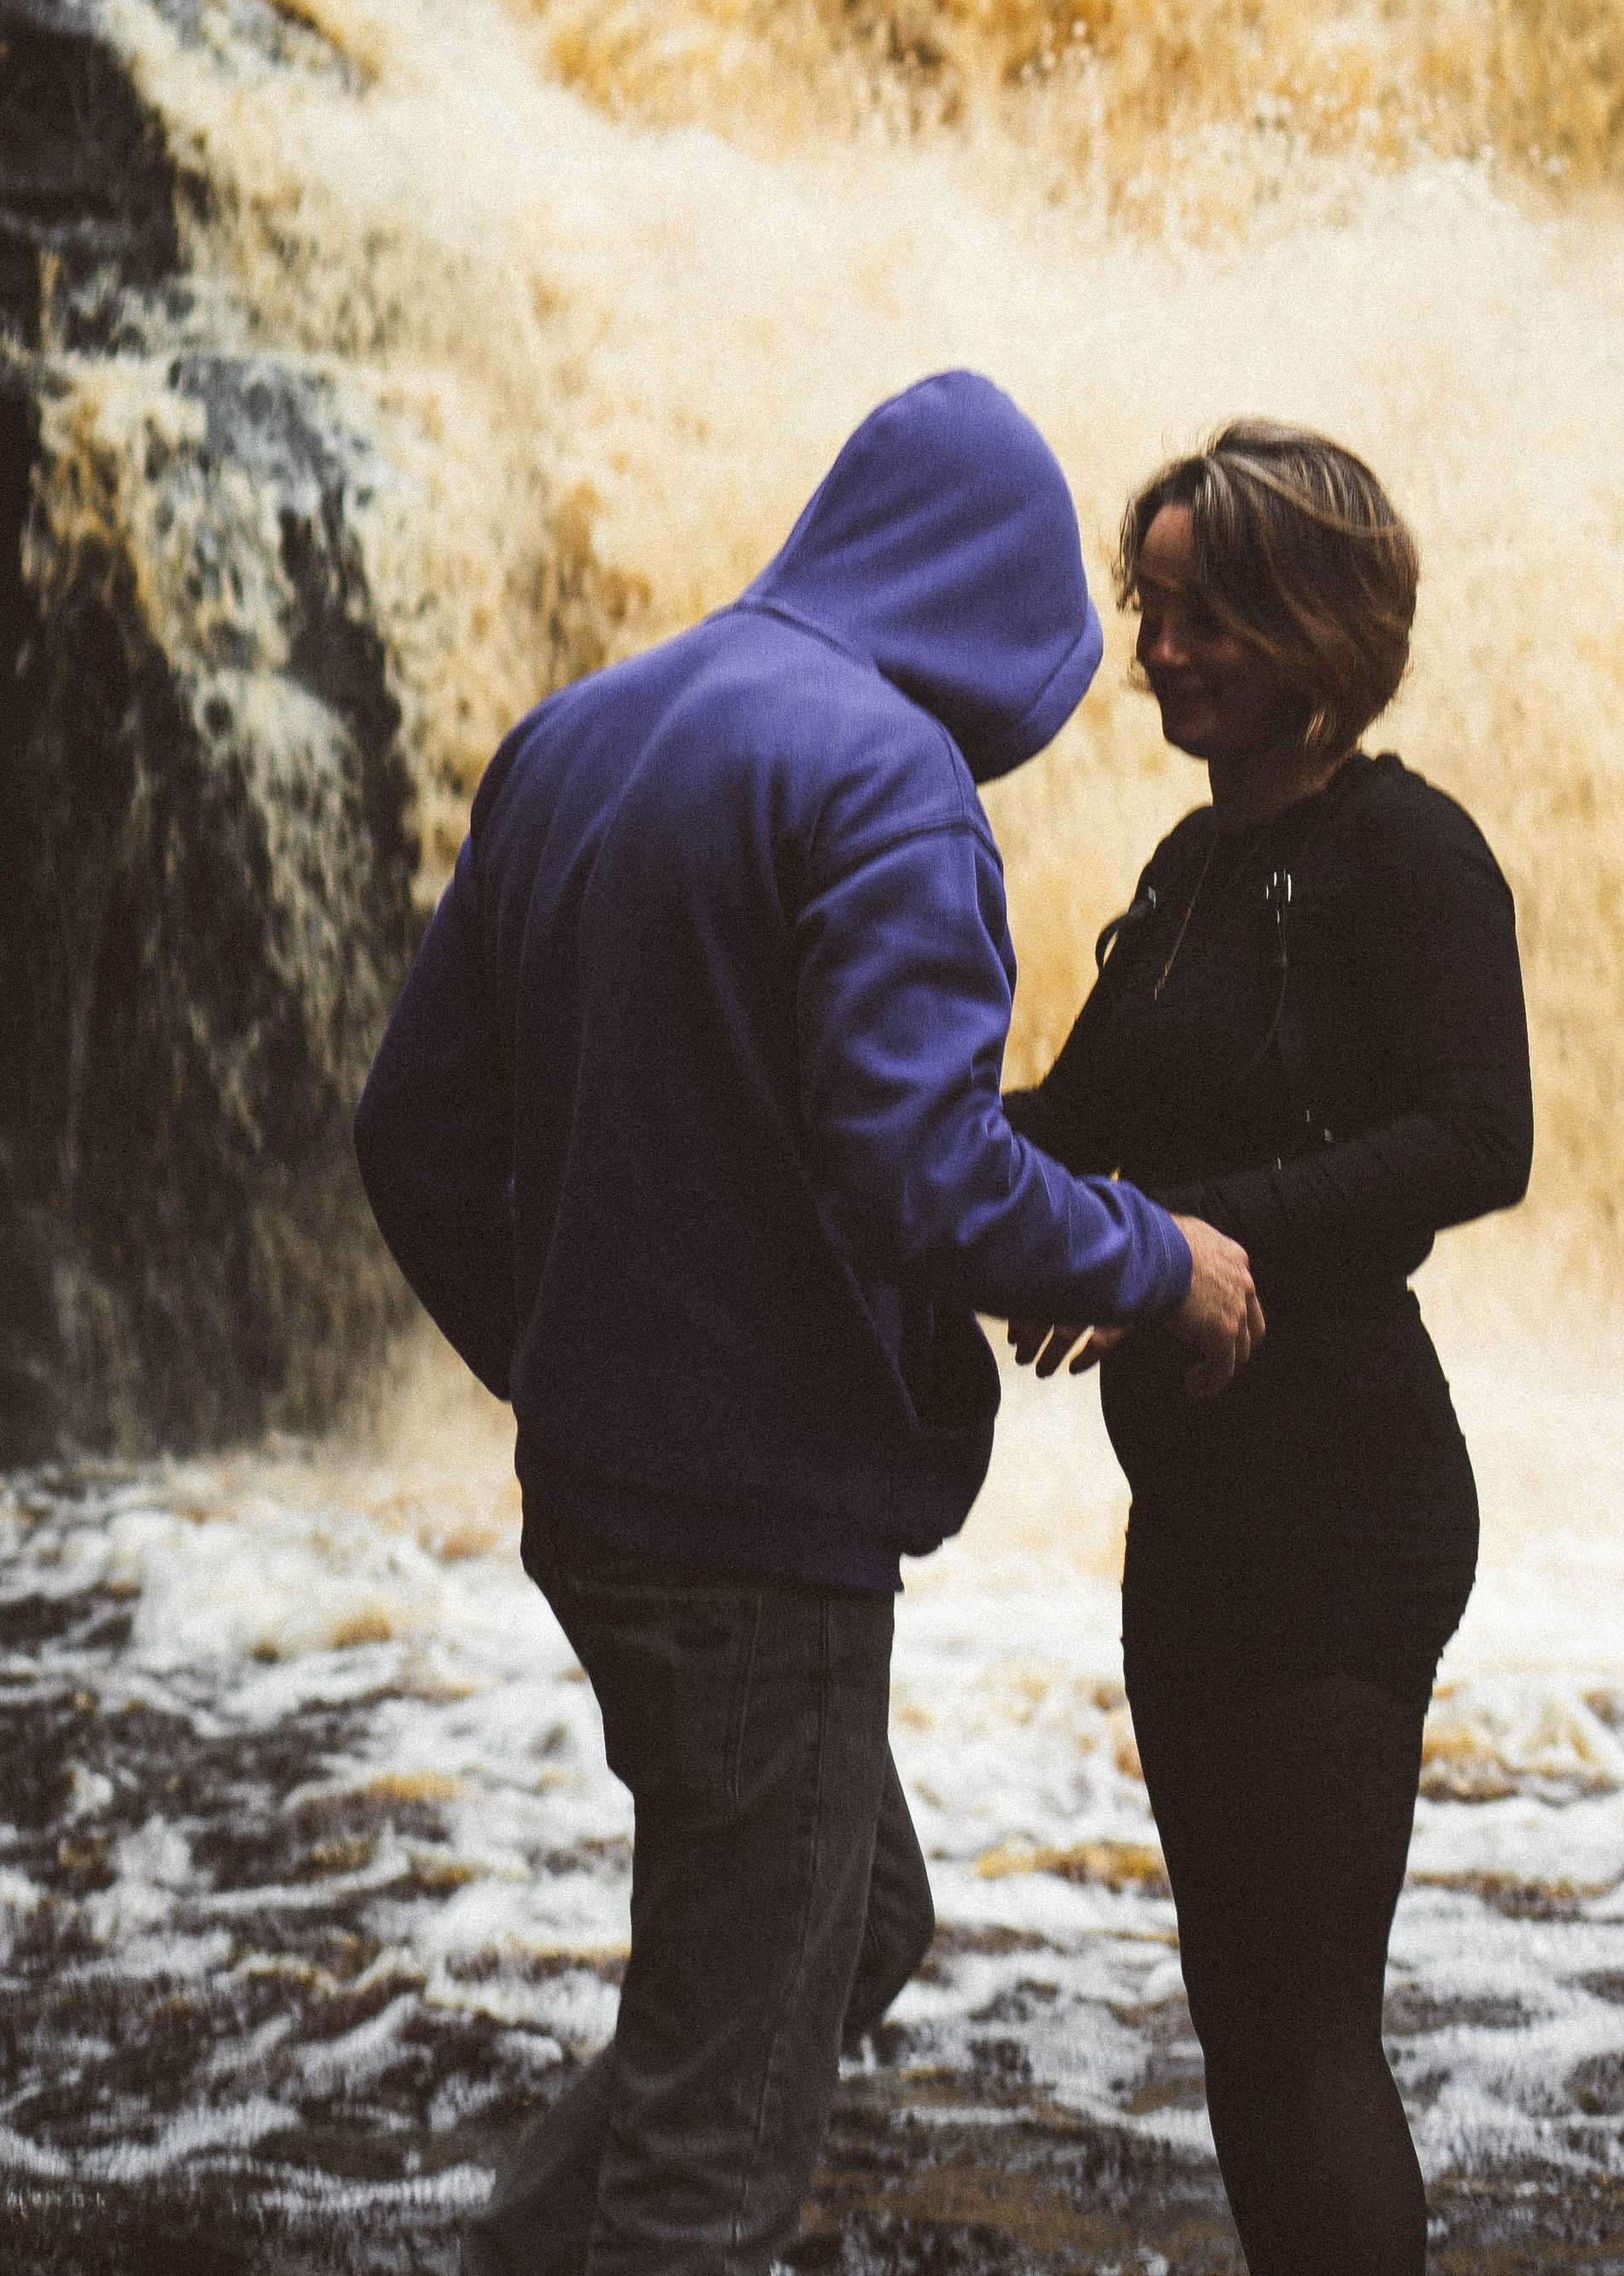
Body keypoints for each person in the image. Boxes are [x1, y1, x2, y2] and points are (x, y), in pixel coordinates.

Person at [352, 370, 1264, 2276]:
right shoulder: (883, 783)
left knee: (841, 1934)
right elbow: (917, 1175)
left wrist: (578, 1367)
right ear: (999, 601)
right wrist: (1154, 1262)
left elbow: (413, 1138)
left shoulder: (581, 732)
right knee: (718, 2151)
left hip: (609, 1509)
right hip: (755, 1538)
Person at [1005, 420, 1532, 2276]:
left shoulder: (1404, 852)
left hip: (1341, 1490)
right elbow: (1066, 1129)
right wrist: (853, 1123)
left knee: (1304, 2030)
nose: (1160, 653)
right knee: (1235, 2016)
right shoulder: (1186, 871)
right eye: (1153, 612)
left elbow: (1483, 1136)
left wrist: (1208, 1239)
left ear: (1313, 621)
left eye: (1205, 616)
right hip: (1199, 1505)